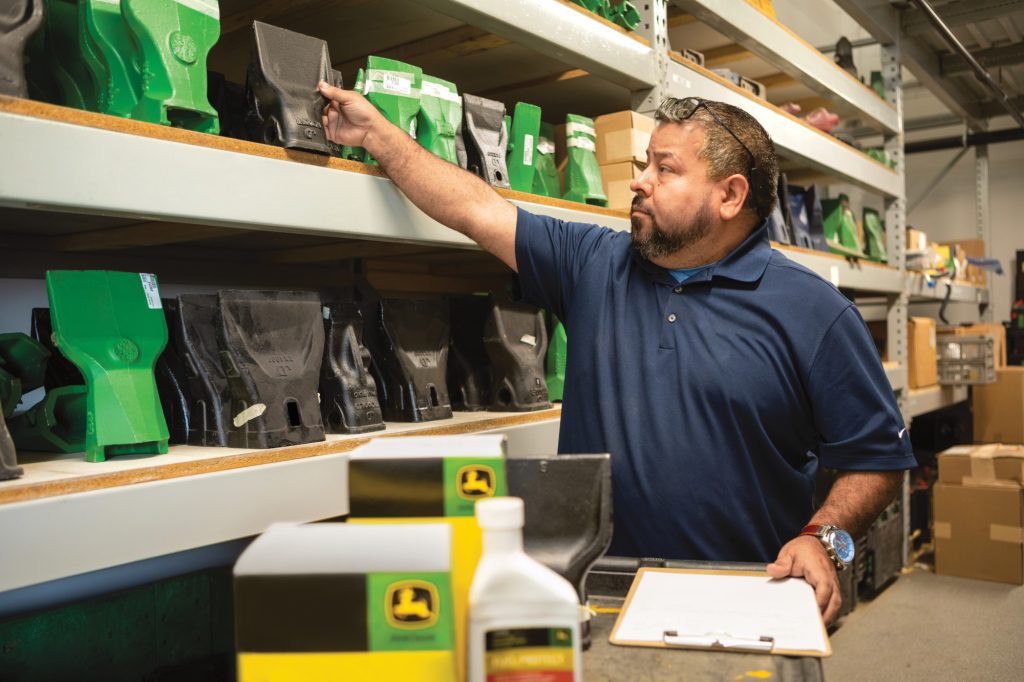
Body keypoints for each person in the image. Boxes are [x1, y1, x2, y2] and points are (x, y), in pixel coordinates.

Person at [318, 82, 916, 624]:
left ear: (731, 195)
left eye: (665, 168)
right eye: (643, 163)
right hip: (597, 595)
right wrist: (376, 133)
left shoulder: (814, 312)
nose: (640, 180)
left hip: (746, 595)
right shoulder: (593, 265)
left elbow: (878, 460)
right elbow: (476, 209)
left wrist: (824, 538)